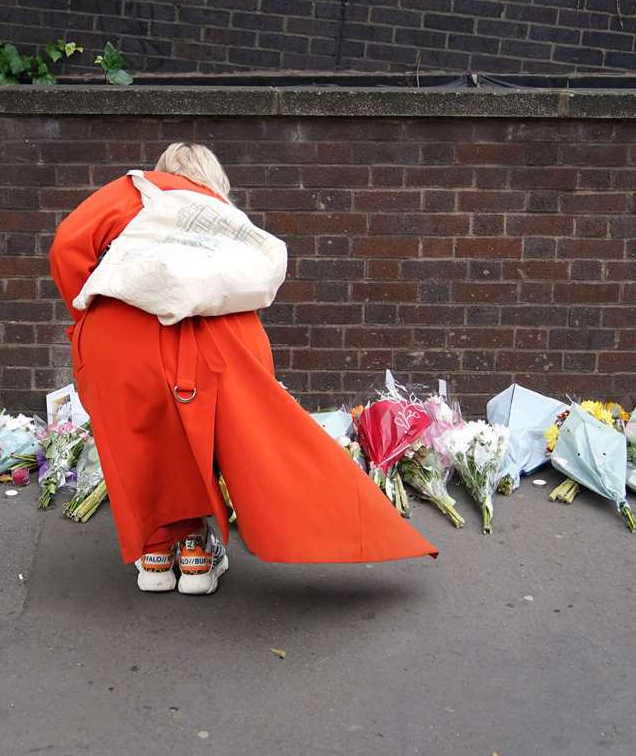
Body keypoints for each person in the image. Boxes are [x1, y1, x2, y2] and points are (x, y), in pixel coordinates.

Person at [48, 142, 437, 596]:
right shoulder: (225, 217)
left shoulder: (130, 193)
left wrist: (88, 311)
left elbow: (66, 248)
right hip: (214, 343)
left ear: (163, 170)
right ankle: (195, 552)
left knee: (138, 438)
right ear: (214, 179)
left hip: (119, 338)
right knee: (212, 436)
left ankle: (155, 553)